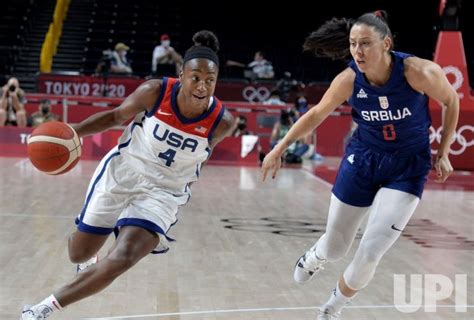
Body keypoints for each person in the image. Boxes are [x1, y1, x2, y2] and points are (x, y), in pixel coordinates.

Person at [20, 30, 234, 320]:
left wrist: (179, 185)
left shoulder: (223, 121)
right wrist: (73, 133)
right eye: (195, 77)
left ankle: (41, 309)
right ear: (181, 74)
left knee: (124, 257)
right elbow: (115, 117)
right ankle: (88, 256)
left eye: (210, 80)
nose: (202, 86)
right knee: (79, 255)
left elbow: (200, 160)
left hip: (163, 193)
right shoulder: (155, 91)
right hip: (124, 173)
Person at [262, 10, 458, 320]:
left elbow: (451, 101)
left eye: (365, 43)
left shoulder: (418, 71)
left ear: (386, 44)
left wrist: (444, 151)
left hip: (408, 167)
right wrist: (280, 147)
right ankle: (315, 256)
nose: (357, 51)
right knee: (337, 247)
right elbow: (316, 115)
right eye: (353, 44)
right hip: (363, 159)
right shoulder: (349, 79)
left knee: (370, 252)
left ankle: (332, 308)